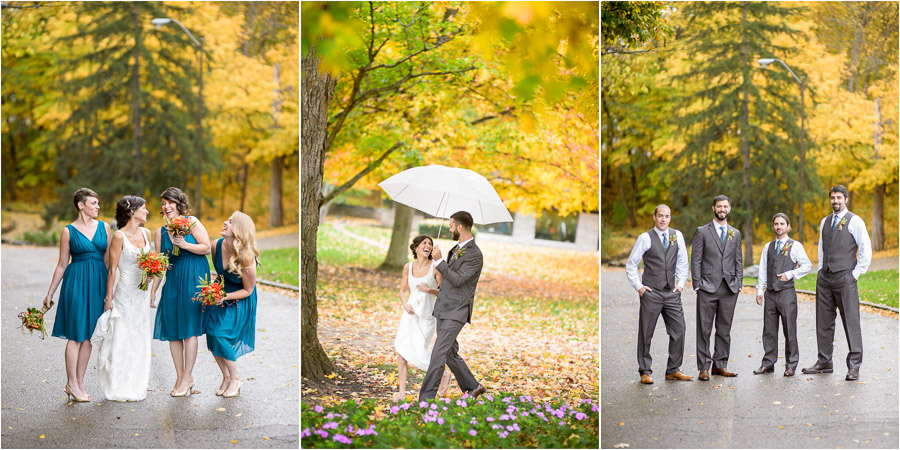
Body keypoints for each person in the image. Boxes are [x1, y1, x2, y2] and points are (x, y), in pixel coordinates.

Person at [44, 188, 111, 402]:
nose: (98, 207)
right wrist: (50, 293)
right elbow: (62, 264)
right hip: (76, 282)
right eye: (93, 203)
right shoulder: (68, 231)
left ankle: (79, 383)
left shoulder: (105, 227)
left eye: (98, 203)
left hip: (99, 282)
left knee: (90, 336)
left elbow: (110, 263)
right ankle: (71, 382)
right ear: (81, 205)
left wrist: (111, 292)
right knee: (75, 334)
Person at [802, 185, 871, 381]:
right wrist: (819, 271)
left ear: (846, 199)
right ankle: (824, 361)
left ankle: (854, 365)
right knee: (823, 322)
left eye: (839, 197)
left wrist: (855, 274)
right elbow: (822, 249)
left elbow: (866, 249)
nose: (835, 201)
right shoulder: (825, 222)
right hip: (825, 278)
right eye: (832, 198)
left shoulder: (855, 221)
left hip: (845, 278)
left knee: (851, 321)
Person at [149, 187, 211, 397]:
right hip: (173, 279)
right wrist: (154, 290)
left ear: (179, 204)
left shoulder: (192, 222)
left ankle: (187, 376)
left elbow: (206, 248)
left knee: (188, 328)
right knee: (173, 329)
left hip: (193, 275)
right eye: (163, 204)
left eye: (170, 203)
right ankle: (181, 376)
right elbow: (161, 264)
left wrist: (184, 244)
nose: (166, 207)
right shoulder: (159, 232)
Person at [91, 196, 153, 401]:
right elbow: (113, 268)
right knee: (122, 336)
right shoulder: (119, 236)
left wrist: (151, 273)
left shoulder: (147, 233)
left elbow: (149, 261)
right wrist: (109, 297)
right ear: (132, 212)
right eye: (144, 209)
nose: (147, 212)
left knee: (139, 336)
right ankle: (118, 385)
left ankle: (137, 383)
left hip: (142, 292)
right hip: (125, 292)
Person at [419, 211, 485, 401]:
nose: (449, 228)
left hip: (458, 310)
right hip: (444, 307)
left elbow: (458, 280)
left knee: (439, 351)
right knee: (448, 353)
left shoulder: (475, 254)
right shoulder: (455, 249)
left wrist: (440, 261)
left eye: (451, 225)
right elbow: (448, 278)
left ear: (459, 227)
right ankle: (474, 387)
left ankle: (426, 399)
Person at [625, 205, 693, 384]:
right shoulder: (645, 238)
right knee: (646, 333)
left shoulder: (677, 236)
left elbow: (682, 262)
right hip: (651, 293)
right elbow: (631, 264)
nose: (663, 219)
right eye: (660, 216)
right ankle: (645, 371)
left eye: (667, 216)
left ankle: (673, 369)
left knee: (679, 330)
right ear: (654, 217)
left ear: (670, 218)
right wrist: (639, 287)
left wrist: (680, 285)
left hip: (671, 293)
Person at [206, 211, 259, 398]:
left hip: (240, 297)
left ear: (239, 229)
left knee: (220, 335)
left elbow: (248, 290)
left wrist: (225, 296)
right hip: (221, 293)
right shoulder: (216, 245)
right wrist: (212, 291)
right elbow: (220, 275)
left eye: (230, 221)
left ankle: (235, 379)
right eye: (226, 219)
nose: (224, 222)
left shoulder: (247, 256)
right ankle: (226, 377)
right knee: (212, 336)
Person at [392, 235, 451, 401]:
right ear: (416, 247)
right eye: (424, 243)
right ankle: (402, 393)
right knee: (402, 353)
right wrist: (405, 304)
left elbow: (444, 291)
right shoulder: (407, 267)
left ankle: (443, 374)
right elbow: (403, 290)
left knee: (420, 351)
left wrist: (429, 290)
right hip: (410, 315)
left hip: (426, 317)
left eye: (430, 244)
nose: (428, 246)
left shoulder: (435, 268)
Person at [691, 194, 743, 380]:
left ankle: (720, 365)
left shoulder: (735, 233)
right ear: (713, 208)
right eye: (719, 206)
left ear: (729, 209)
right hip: (707, 288)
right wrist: (697, 284)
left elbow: (738, 259)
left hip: (729, 289)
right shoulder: (702, 231)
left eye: (725, 207)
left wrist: (739, 284)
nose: (722, 209)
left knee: (724, 329)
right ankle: (704, 367)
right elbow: (696, 259)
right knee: (704, 329)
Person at [753, 213, 811, 377]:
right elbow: (763, 270)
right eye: (776, 224)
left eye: (782, 224)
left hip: (786, 294)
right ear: (773, 226)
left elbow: (807, 265)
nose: (779, 226)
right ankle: (768, 364)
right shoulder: (768, 247)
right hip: (770, 294)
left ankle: (791, 364)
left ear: (788, 226)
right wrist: (760, 291)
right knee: (769, 331)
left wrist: (791, 273)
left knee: (789, 330)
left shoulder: (796, 245)